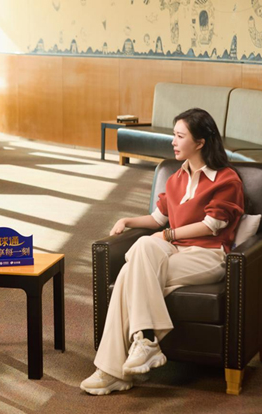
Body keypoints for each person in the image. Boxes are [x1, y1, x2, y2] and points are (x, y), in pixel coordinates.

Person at [80, 108, 244, 395]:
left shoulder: (226, 179)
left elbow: (211, 226)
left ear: (200, 142)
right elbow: (158, 219)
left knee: (128, 276)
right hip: (175, 252)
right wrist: (128, 220)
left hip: (208, 256)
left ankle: (112, 370)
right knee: (143, 246)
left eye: (180, 136)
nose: (173, 141)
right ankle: (145, 343)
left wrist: (169, 234)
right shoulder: (175, 178)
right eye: (174, 135)